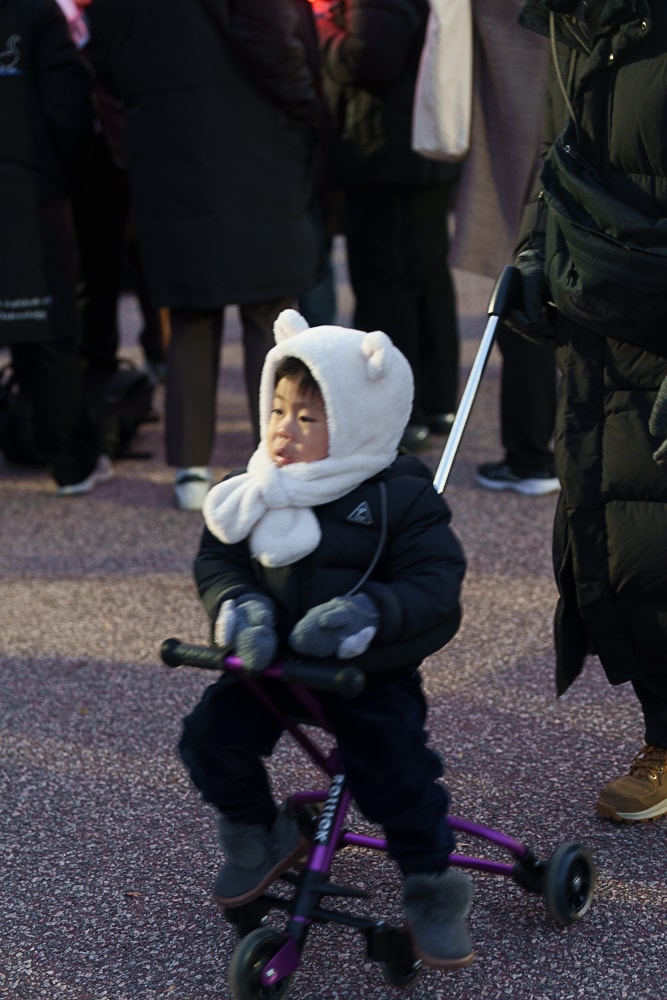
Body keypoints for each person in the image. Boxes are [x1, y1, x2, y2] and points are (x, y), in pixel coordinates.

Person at [179, 310, 474, 969]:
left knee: (397, 776)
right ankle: (261, 832)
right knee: (208, 741)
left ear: (357, 419)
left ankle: (431, 886)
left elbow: (436, 583)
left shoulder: (399, 495)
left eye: (307, 418)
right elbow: (218, 558)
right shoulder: (250, 485)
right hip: (272, 665)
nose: (283, 429)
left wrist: (368, 613)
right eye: (277, 409)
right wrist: (238, 605)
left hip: (362, 672)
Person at [506, 0, 667, 820]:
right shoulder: (575, 14)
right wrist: (534, 247)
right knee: (617, 533)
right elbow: (558, 150)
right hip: (596, 308)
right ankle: (663, 731)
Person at [88, 0, 327, 510]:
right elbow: (276, 44)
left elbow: (104, 59)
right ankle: (277, 452)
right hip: (254, 143)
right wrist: (304, 102)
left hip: (167, 151)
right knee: (270, 312)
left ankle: (191, 466)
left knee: (192, 316)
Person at [311, 0, 461, 452]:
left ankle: (398, 413)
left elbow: (370, 57)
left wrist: (321, 28)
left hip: (384, 151)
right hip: (415, 145)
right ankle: (434, 404)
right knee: (424, 278)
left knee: (385, 284)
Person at [446, 0, 558, 496]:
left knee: (523, 283)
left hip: (529, 122)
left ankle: (532, 455)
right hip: (587, 126)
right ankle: (542, 453)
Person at [0, 0, 111, 495]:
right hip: (27, 189)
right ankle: (69, 458)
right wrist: (62, 178)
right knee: (48, 324)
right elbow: (68, 105)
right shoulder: (37, 14)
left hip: (30, 183)